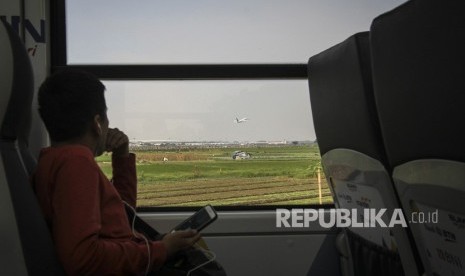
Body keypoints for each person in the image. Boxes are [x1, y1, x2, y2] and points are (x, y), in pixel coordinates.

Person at [33, 69, 201, 275]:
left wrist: (122, 156)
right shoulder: (76, 163)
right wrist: (162, 249)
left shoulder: (53, 159)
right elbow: (83, 259)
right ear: (97, 123)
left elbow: (123, 215)